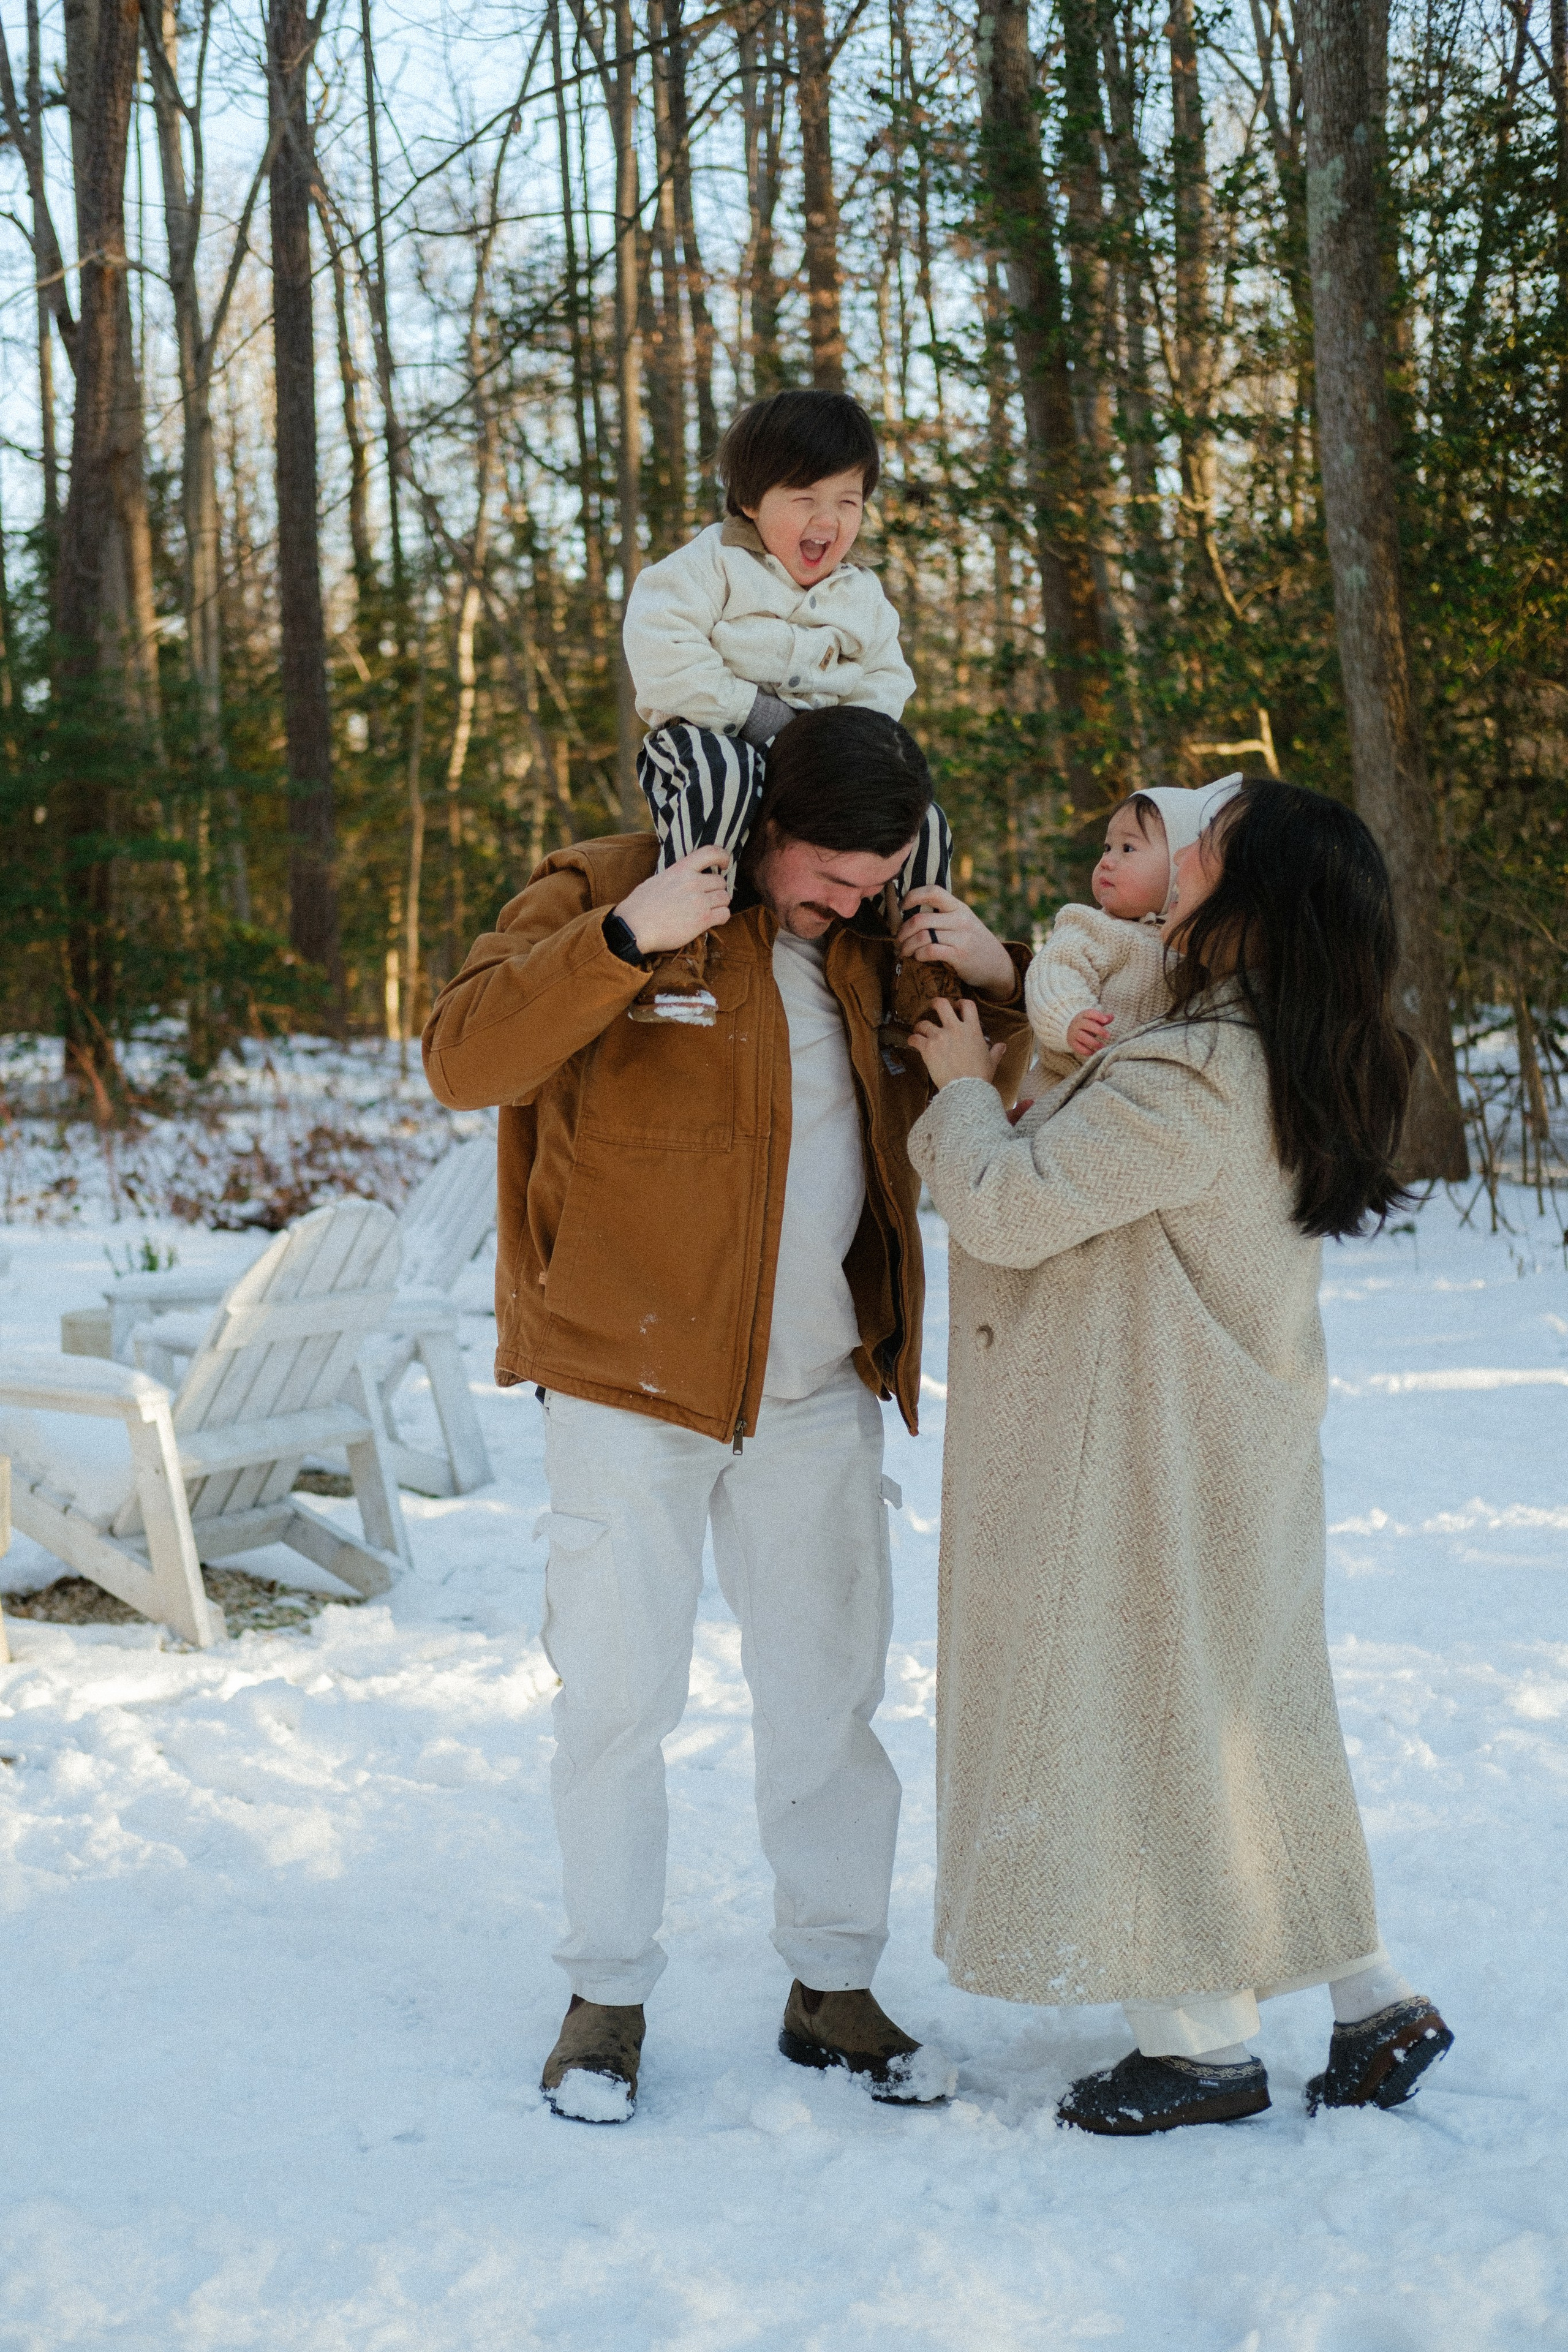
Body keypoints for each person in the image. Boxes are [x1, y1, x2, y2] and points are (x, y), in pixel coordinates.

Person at [423, 706, 1030, 2124]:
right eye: (827, 869)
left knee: (828, 1700)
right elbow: (461, 1060)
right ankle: (605, 1993)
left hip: (816, 1388)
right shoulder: (602, 883)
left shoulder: (881, 935)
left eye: (875, 875)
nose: (846, 897)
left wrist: (996, 988)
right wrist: (623, 939)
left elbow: (986, 1103)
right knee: (620, 1697)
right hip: (628, 1381)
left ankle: (830, 1983)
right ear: (761, 823)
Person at [903, 778, 1453, 2137]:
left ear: (1247, 900)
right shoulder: (1277, 1046)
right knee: (1255, 1723)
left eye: (1201, 850)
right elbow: (1122, 1013)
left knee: (1145, 1718)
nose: (1173, 860)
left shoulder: (1192, 1072)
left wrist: (963, 1089)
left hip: (1142, 1453)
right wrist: (1010, 970)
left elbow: (1012, 1204)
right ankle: (1371, 2001)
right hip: (1227, 1438)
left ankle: (1201, 2049)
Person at [622, 387, 951, 911]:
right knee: (726, 776)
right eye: (805, 499)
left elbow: (886, 680)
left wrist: (843, 742)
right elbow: (665, 654)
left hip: (820, 769)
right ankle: (687, 929)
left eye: (848, 502)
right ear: (751, 501)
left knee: (921, 818)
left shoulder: (861, 595)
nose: (828, 520)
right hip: (707, 747)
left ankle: (918, 951)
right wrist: (759, 715)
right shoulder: (709, 565)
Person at [1024, 777, 1241, 1082]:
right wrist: (1069, 1017)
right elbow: (1053, 971)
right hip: (1065, 1080)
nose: (1107, 862)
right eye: (1107, 847)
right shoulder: (1092, 927)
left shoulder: (1200, 946)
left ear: (1182, 860)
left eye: (1128, 848)